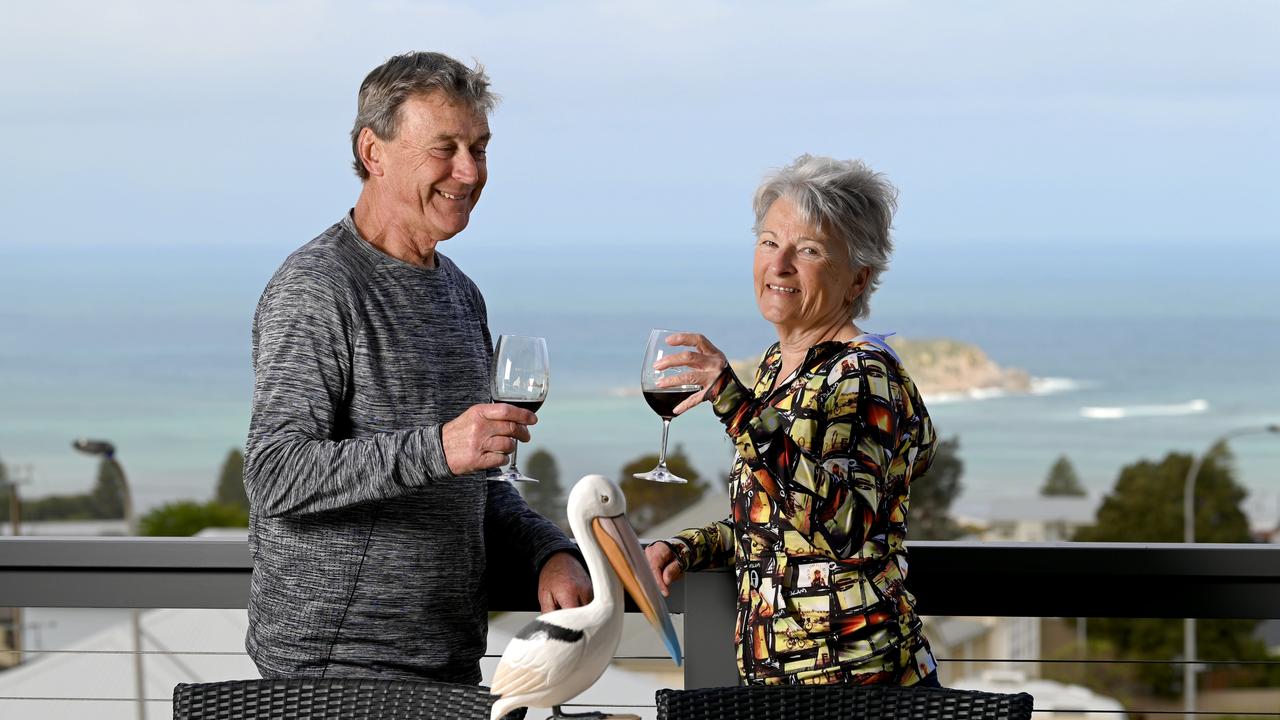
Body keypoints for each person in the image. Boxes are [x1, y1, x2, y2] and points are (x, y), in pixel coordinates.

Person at [243, 51, 591, 683]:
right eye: (446, 147)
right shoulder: (318, 288)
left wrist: (549, 552)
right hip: (333, 678)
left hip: (448, 667)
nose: (469, 171)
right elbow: (273, 475)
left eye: (479, 147)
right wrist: (438, 447)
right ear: (373, 153)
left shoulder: (460, 294)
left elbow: (471, 483)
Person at [644, 155, 941, 686]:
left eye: (807, 250)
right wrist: (685, 547)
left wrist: (733, 403)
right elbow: (775, 527)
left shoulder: (863, 375)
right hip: (784, 689)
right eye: (768, 241)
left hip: (859, 687)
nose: (778, 265)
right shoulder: (779, 369)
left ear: (857, 280)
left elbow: (844, 527)